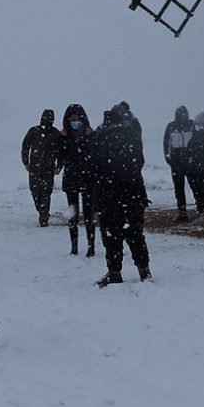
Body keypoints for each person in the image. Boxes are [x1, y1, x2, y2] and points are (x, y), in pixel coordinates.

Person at [91, 101, 151, 286]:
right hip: (133, 192)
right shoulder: (132, 136)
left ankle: (114, 271)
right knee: (135, 233)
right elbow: (139, 162)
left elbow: (93, 168)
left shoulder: (100, 138)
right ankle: (144, 270)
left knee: (111, 235)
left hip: (109, 195)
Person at [58, 103, 97, 257]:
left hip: (87, 177)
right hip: (71, 177)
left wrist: (91, 137)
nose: (75, 121)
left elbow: (95, 154)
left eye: (77, 118)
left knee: (89, 213)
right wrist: (62, 139)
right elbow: (60, 155)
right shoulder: (64, 136)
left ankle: (91, 245)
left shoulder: (90, 134)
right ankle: (74, 246)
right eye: (72, 118)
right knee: (72, 213)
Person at [20, 109, 64, 227]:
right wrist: (26, 162)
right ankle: (41, 211)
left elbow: (61, 152)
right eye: (45, 117)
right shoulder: (34, 131)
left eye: (50, 118)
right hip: (34, 168)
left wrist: (59, 166)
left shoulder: (56, 134)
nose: (47, 120)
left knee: (46, 193)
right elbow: (25, 146)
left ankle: (43, 217)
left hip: (49, 169)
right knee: (35, 192)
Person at [162, 107, 202, 216]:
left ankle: (200, 208)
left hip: (189, 161)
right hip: (176, 162)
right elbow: (166, 144)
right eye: (180, 114)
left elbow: (198, 142)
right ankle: (182, 211)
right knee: (179, 188)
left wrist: (194, 157)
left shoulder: (191, 125)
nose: (182, 116)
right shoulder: (171, 126)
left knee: (194, 186)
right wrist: (168, 158)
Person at [180, 112, 204, 217]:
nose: (197, 126)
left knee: (202, 188)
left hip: (201, 167)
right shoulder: (195, 136)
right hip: (194, 167)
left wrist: (195, 159)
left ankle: (203, 209)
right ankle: (201, 208)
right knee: (197, 188)